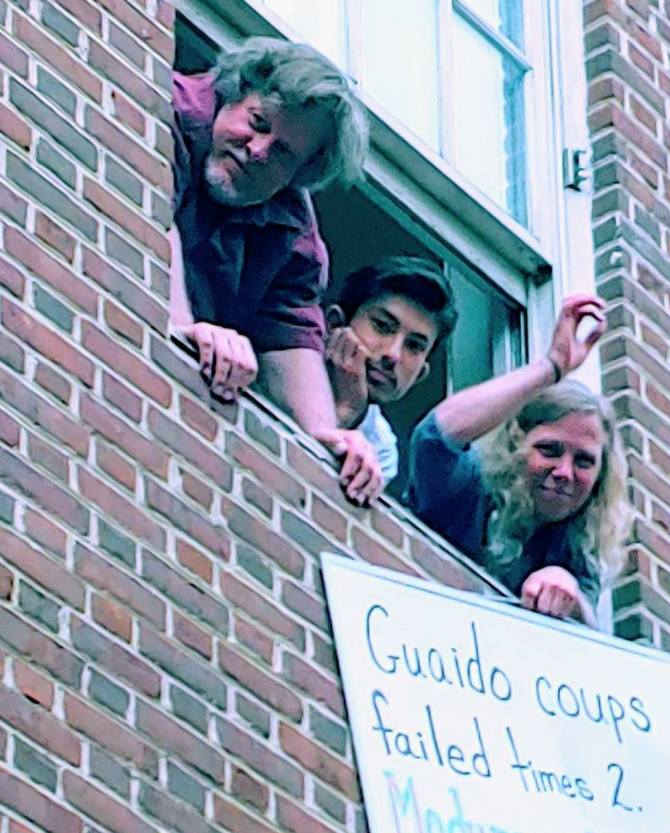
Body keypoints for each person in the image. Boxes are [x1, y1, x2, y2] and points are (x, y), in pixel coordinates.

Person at [168, 38, 381, 504]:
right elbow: (146, 213)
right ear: (228, 95)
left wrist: (333, 441)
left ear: (297, 176)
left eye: (283, 153)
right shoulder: (164, 113)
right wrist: (188, 331)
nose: (259, 150)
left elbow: (292, 345)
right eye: (256, 122)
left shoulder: (295, 240)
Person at [408, 294, 631, 628]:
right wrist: (551, 368)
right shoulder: (468, 486)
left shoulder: (578, 544)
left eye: (584, 461)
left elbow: (588, 643)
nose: (564, 472)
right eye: (550, 450)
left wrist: (571, 597)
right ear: (515, 447)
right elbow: (433, 437)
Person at [324, 258, 458, 484]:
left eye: (414, 346)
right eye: (382, 326)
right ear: (335, 323)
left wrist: (348, 411)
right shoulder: (278, 360)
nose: (393, 355)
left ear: (419, 375)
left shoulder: (382, 449)